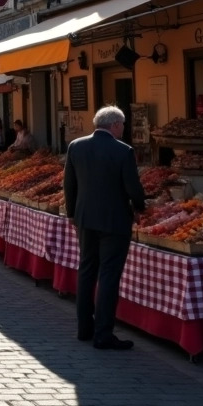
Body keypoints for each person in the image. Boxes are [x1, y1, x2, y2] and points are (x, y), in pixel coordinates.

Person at [63, 105, 146, 350]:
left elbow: (69, 184)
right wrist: (140, 207)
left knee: (87, 270)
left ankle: (84, 329)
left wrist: (71, 214)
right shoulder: (123, 151)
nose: (123, 129)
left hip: (85, 218)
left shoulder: (76, 146)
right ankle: (103, 333)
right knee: (109, 275)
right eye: (122, 125)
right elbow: (133, 186)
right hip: (114, 220)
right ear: (115, 125)